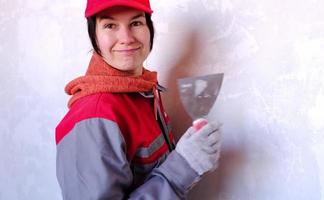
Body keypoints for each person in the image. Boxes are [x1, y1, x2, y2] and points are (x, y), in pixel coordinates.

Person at [55, 0, 222, 199]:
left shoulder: (142, 89)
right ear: (94, 36)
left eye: (136, 23)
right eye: (110, 25)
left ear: (149, 27)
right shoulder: (94, 118)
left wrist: (189, 156)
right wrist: (184, 166)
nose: (126, 38)